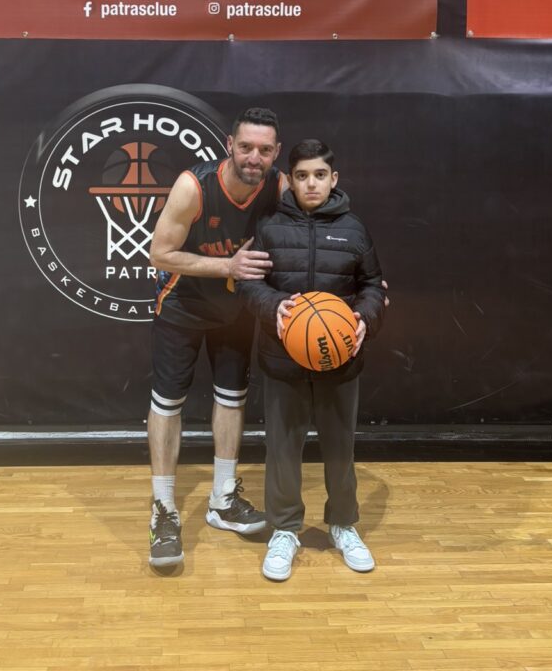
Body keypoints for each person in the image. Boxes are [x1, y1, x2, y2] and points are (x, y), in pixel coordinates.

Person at [237, 138, 386, 582]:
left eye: (320, 175)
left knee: (340, 448)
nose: (311, 184)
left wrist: (365, 319)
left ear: (333, 178)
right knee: (282, 448)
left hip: (340, 359)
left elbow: (373, 286)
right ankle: (285, 529)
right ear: (290, 179)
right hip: (282, 357)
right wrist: (273, 307)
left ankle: (343, 524)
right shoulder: (268, 225)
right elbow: (248, 283)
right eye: (302, 176)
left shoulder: (354, 229)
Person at [146, 107, 285, 569]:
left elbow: (315, 231)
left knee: (232, 398)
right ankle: (163, 509)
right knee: (168, 403)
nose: (254, 157)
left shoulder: (279, 186)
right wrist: (228, 265)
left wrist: (361, 280)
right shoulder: (194, 187)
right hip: (182, 306)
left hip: (234, 310)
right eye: (245, 147)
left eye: (264, 150)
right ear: (229, 145)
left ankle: (223, 500)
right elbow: (159, 254)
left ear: (275, 153)